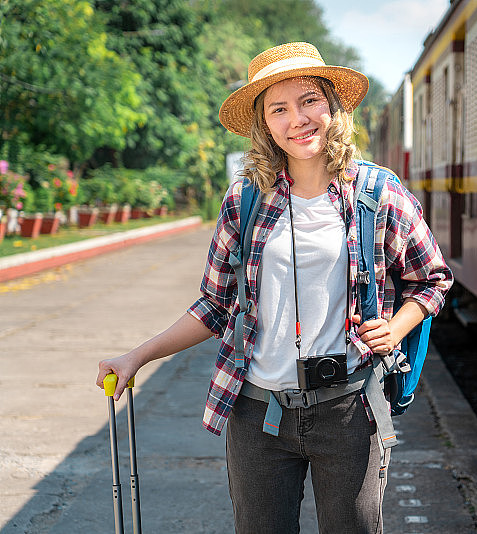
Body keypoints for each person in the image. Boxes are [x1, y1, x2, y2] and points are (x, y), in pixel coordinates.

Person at [96, 42, 452, 534]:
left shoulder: (377, 193)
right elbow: (214, 305)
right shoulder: (245, 200)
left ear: (332, 106)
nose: (298, 119)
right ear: (264, 123)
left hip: (349, 411)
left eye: (309, 101)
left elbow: (432, 279)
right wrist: (138, 355)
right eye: (278, 109)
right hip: (257, 415)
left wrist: (395, 328)